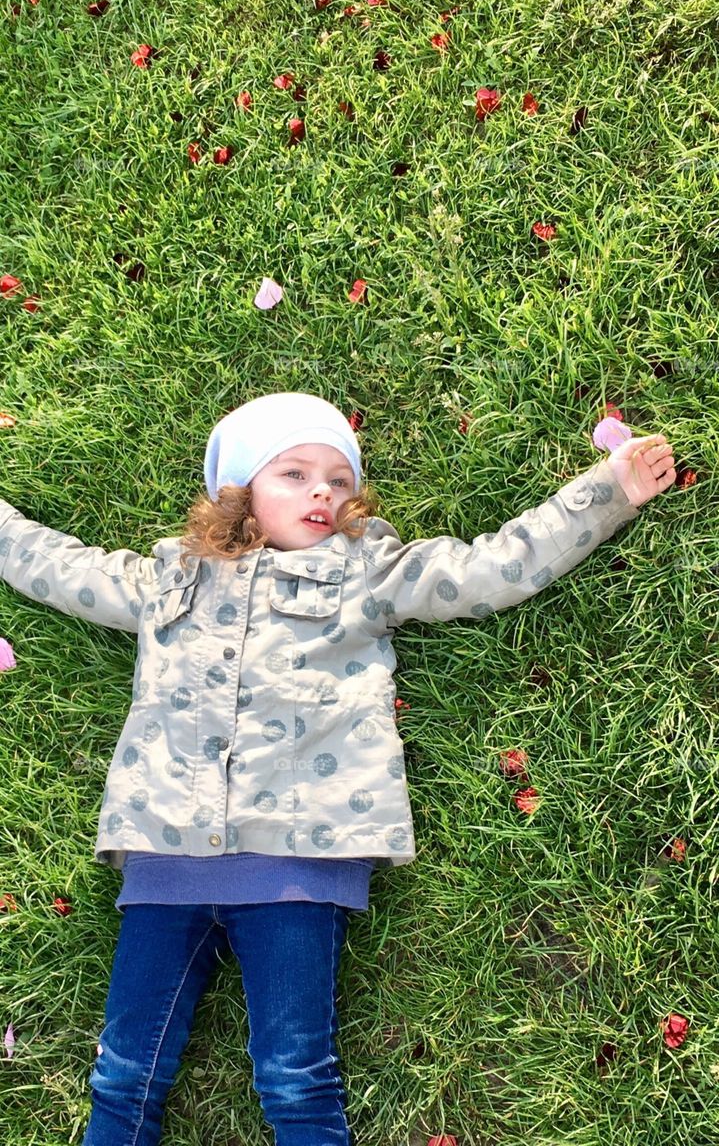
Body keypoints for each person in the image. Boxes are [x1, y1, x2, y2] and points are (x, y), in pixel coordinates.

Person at [0, 392, 676, 1145]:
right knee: (123, 1076)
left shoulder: (367, 572)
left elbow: (491, 568)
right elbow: (55, 566)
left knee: (293, 1078)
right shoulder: (168, 581)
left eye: (338, 478)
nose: (322, 490)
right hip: (165, 856)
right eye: (292, 471)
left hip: (301, 858)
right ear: (238, 489)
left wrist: (605, 491)